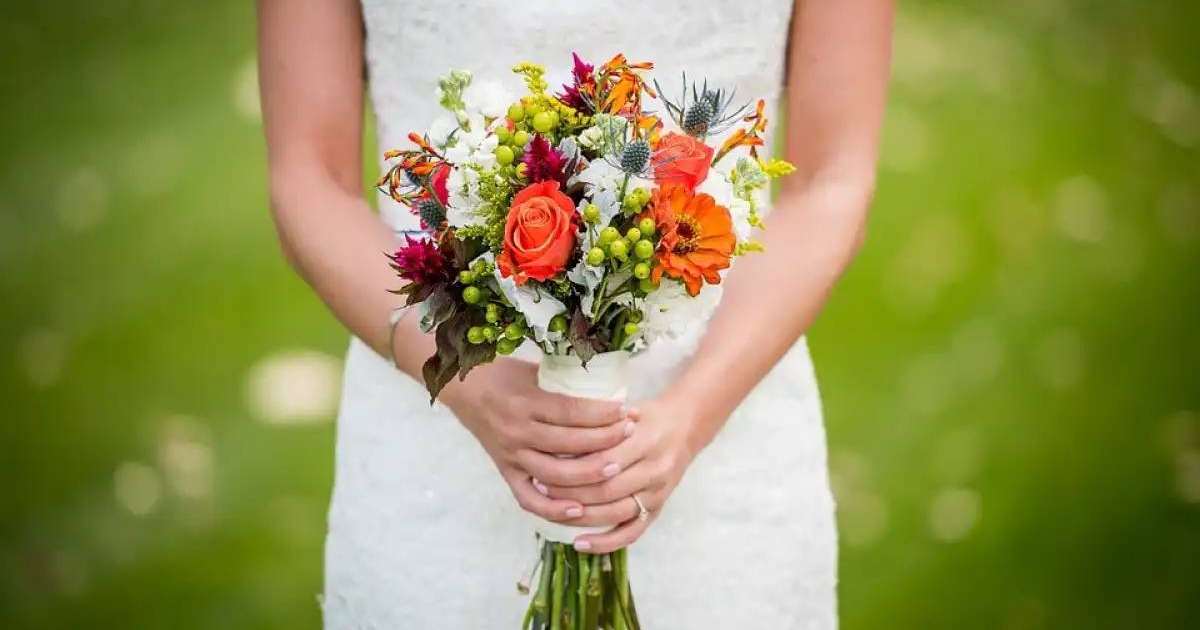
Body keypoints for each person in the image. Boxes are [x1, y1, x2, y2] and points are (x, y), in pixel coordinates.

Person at [256, 0, 892, 626]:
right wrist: (465, 380)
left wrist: (693, 412)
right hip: (432, 438)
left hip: (728, 434)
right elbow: (309, 176)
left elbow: (831, 181)